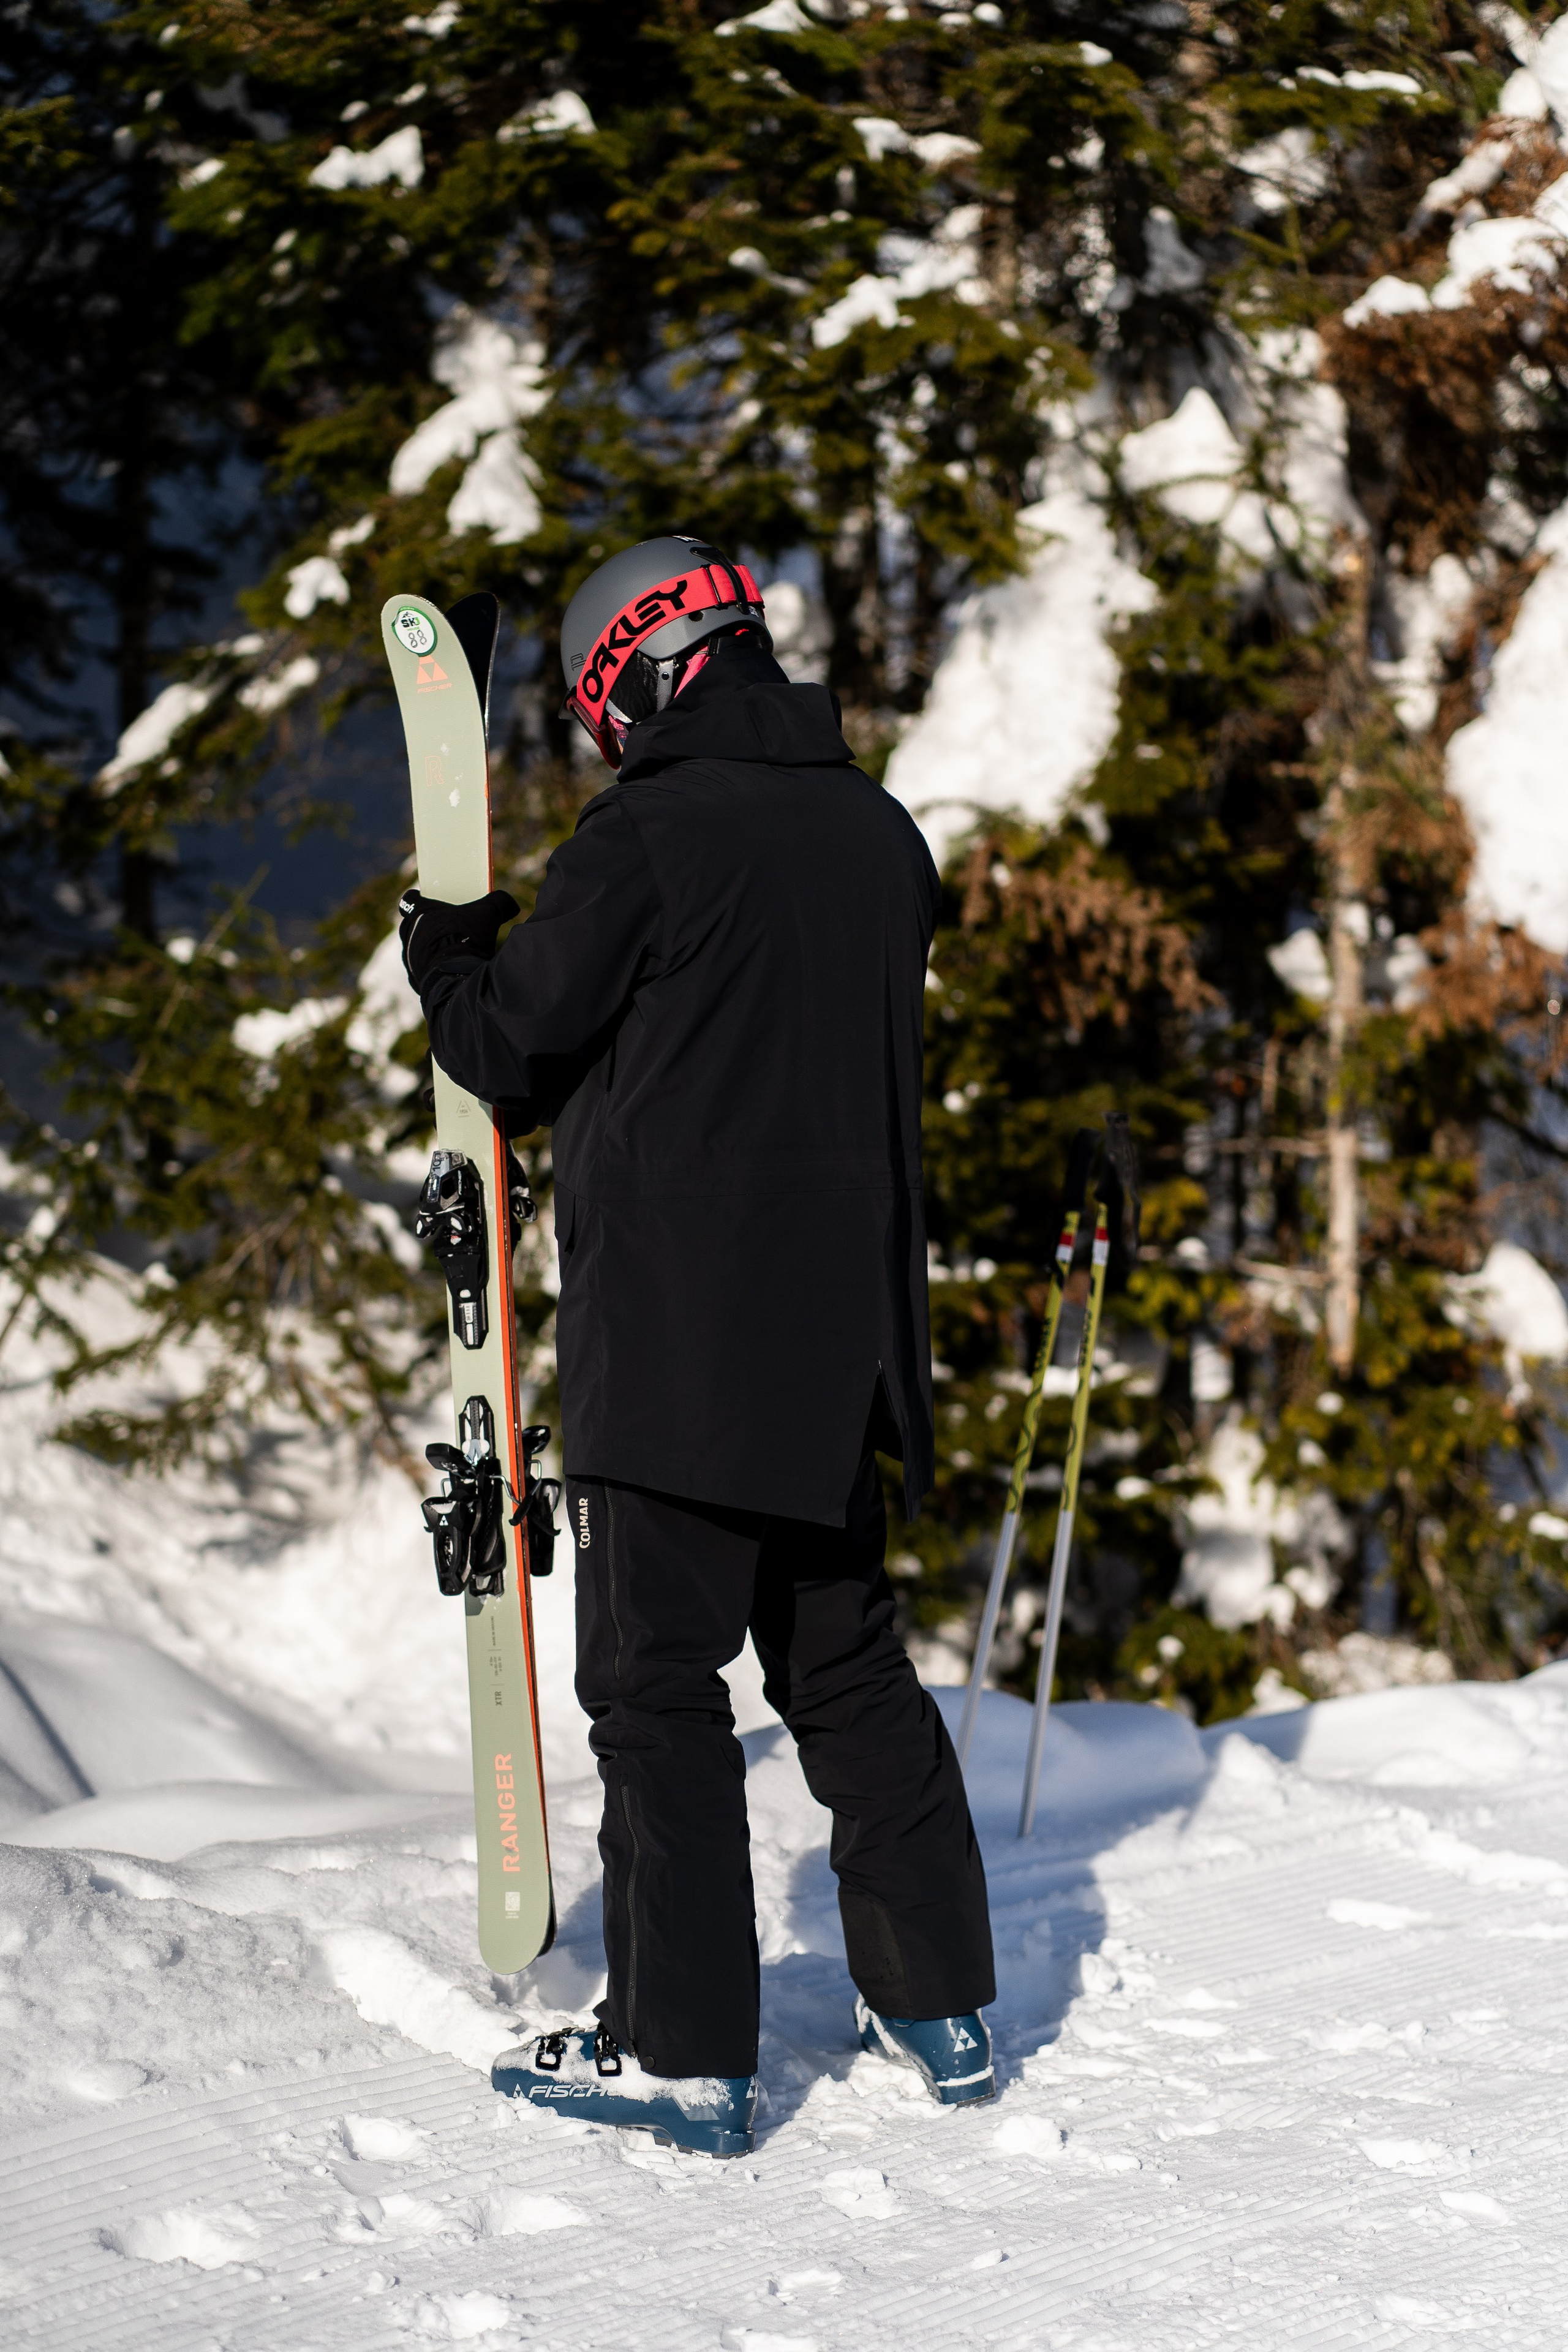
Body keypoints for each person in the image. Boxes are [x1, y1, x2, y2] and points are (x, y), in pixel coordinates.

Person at [398, 536, 995, 2159]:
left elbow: (509, 1040)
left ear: (638, 678)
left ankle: (684, 2052)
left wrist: (446, 948)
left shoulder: (648, 837)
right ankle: (939, 2003)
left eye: (607, 710)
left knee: (656, 1694)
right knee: (847, 1668)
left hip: (678, 1355)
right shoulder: (884, 838)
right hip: (849, 1347)